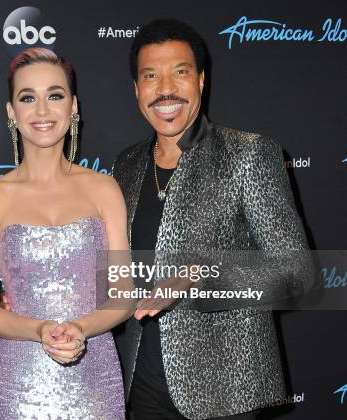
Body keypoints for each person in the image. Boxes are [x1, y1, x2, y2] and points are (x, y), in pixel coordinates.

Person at [112, 19, 312, 420]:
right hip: (141, 384)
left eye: (180, 73)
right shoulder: (127, 165)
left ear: (201, 81)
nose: (165, 89)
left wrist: (200, 278)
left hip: (226, 393)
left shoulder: (247, 154)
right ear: (137, 89)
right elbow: (114, 271)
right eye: (151, 76)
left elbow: (297, 275)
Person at [0, 48, 134, 419]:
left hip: (96, 378)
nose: (42, 111)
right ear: (12, 112)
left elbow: (122, 295)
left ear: (73, 106)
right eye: (28, 98)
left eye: (54, 95)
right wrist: (40, 328)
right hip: (20, 385)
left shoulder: (104, 189)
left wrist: (80, 327)